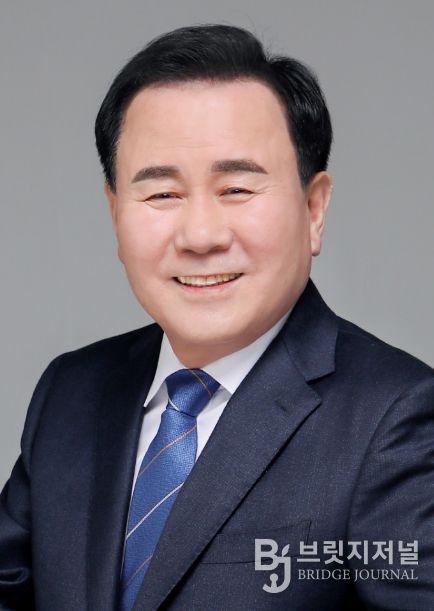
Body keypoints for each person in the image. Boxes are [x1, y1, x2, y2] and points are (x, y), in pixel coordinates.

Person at [0, 23, 433, 611]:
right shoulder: (71, 391)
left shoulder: (399, 419)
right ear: (115, 213)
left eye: (236, 189)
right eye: (162, 194)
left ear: (313, 209)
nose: (201, 235)